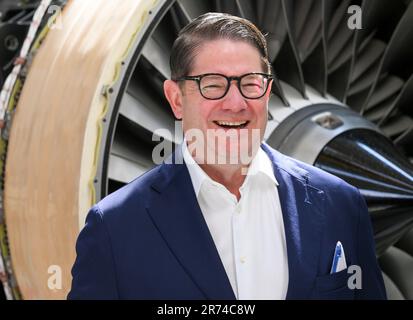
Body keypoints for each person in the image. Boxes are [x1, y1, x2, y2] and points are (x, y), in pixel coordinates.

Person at [68, 12, 386, 300]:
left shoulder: (341, 205)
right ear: (176, 99)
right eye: (213, 85)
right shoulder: (115, 229)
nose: (236, 103)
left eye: (251, 84)